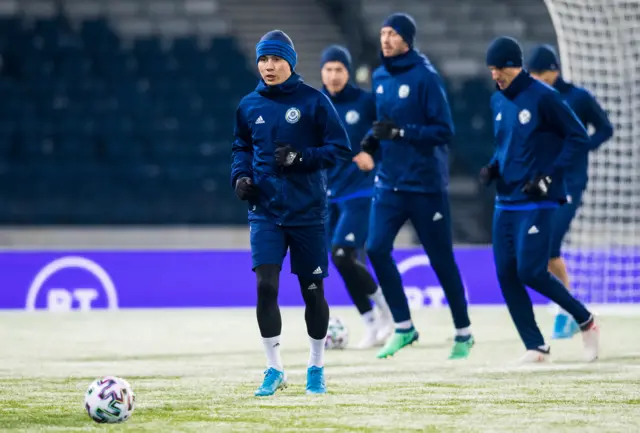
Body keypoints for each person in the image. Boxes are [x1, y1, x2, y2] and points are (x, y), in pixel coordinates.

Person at [231, 30, 351, 396]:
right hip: (265, 212)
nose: (268, 66)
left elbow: (340, 149)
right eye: (263, 59)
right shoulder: (248, 105)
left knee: (313, 293)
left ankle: (316, 365)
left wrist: (302, 158)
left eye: (275, 59)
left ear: (290, 63)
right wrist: (240, 177)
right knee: (266, 287)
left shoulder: (314, 102)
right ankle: (274, 369)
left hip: (308, 213)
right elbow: (241, 147)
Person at [353, 13, 474, 360]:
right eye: (383, 33)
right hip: (390, 183)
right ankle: (404, 327)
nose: (386, 39)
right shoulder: (379, 76)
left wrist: (403, 134)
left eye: (393, 34)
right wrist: (370, 144)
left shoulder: (426, 77)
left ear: (407, 39)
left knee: (440, 260)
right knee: (375, 248)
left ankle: (463, 332)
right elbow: (382, 124)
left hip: (425, 186)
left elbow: (444, 131)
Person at [481, 36, 600, 362]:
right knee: (506, 272)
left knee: (531, 270)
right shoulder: (498, 101)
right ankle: (535, 346)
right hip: (505, 200)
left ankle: (586, 321)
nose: (495, 75)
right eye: (491, 69)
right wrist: (493, 167)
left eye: (499, 68)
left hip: (538, 198)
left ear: (514, 66)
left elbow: (576, 136)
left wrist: (550, 174)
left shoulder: (545, 97)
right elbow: (505, 144)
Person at [527, 45, 614, 340]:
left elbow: (605, 128)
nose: (537, 78)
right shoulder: (534, 97)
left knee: (551, 245)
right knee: (543, 249)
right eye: (533, 74)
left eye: (542, 73)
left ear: (555, 70)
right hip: (542, 181)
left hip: (571, 181)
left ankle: (567, 311)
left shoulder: (578, 97)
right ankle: (568, 307)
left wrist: (582, 147)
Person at [320, 44, 394, 349]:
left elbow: (388, 133)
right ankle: (371, 324)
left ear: (348, 72)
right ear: (322, 73)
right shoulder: (317, 105)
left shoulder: (365, 102)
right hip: (329, 195)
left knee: (343, 254)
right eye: (329, 69)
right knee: (341, 261)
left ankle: (387, 313)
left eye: (339, 69)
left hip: (361, 191)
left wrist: (374, 156)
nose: (334, 75)